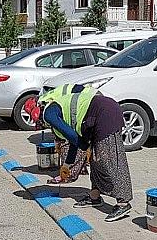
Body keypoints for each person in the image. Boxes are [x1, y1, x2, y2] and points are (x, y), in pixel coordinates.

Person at [27, 84, 133, 222]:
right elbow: (73, 141)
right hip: (95, 117)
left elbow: (72, 136)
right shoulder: (56, 110)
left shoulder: (48, 113)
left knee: (110, 159)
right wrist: (67, 165)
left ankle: (123, 203)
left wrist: (83, 145)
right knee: (96, 161)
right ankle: (94, 197)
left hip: (105, 114)